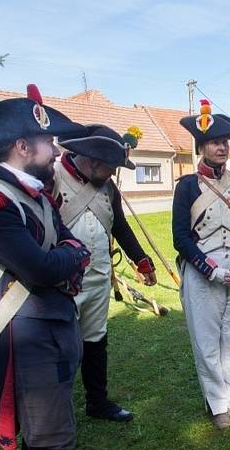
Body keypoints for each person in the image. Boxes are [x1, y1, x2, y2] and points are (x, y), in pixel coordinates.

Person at [0, 85, 91, 450]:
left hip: (50, 321)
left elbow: (68, 243)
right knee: (50, 435)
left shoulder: (34, 195)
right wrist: (72, 258)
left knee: (48, 422)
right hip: (25, 329)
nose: (56, 150)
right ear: (22, 147)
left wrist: (68, 255)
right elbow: (43, 268)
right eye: (48, 141)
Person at [53, 124, 157, 422]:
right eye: (111, 166)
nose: (113, 173)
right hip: (60, 283)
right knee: (60, 348)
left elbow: (120, 226)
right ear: (92, 158)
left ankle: (97, 403)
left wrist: (141, 260)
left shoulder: (109, 188)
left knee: (95, 340)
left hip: (98, 276)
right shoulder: (52, 179)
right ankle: (55, 412)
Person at [171, 100, 230, 429]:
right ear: (201, 147)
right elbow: (180, 236)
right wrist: (209, 268)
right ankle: (216, 402)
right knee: (207, 340)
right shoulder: (187, 187)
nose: (221, 147)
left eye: (225, 142)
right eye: (214, 142)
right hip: (203, 271)